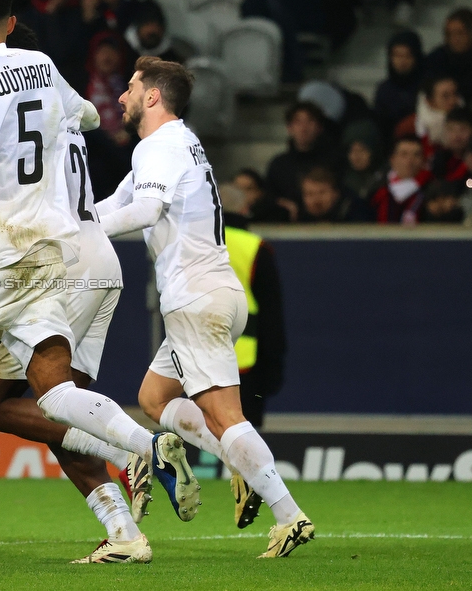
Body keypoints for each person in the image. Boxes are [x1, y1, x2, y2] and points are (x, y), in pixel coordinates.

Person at [0, 0, 199, 569]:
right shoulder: (40, 63)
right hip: (48, 253)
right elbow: (88, 115)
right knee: (53, 390)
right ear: (12, 21)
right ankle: (147, 447)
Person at [97, 56, 314, 557]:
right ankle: (241, 466)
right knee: (154, 398)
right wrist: (63, 222)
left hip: (195, 297)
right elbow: (115, 203)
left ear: (153, 96)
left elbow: (145, 211)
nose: (124, 96)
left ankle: (289, 515)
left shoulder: (160, 145)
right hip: (212, 294)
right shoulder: (173, 144)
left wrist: (81, 232)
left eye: (131, 88)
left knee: (225, 416)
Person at [0, 28, 149, 565]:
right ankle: (123, 533)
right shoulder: (60, 103)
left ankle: (137, 449)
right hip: (99, 254)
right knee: (62, 417)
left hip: (55, 263)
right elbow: (95, 117)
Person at [217, 185, 286, 429]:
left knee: (205, 429)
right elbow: (271, 313)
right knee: (244, 431)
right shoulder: (255, 248)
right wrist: (275, 364)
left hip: (197, 354)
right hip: (245, 360)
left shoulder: (190, 243)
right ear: (245, 210)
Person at [265, 101, 335, 218]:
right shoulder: (279, 164)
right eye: (298, 122)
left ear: (319, 127)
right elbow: (269, 197)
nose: (304, 127)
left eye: (310, 121)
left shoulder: (333, 161)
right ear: (289, 128)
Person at [371, 135, 432, 224]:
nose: (410, 161)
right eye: (404, 154)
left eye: (416, 155)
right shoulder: (377, 190)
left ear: (423, 160)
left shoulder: (430, 189)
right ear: (392, 159)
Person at [374, 31, 424, 139]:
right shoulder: (384, 90)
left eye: (408, 55)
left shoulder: (427, 86)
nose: (402, 61)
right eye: (397, 55)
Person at [298, 167, 374, 223]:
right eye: (310, 194)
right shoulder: (298, 218)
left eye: (322, 192)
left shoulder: (355, 212)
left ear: (335, 194)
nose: (316, 199)